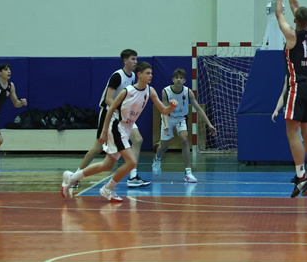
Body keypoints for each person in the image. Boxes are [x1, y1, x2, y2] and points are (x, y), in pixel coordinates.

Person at [61, 62, 177, 201]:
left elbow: (163, 110)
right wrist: (104, 131)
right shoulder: (127, 91)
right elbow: (110, 109)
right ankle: (108, 188)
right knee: (131, 162)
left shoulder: (150, 91)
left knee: (107, 165)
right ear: (139, 75)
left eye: (151, 73)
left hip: (127, 128)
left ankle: (71, 177)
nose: (151, 75)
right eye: (147, 73)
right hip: (117, 127)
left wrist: (171, 107)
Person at [71, 49, 151, 189]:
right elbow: (108, 99)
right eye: (133, 59)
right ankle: (75, 176)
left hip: (124, 116)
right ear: (125, 60)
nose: (135, 62)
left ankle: (133, 176)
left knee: (138, 139)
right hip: (110, 113)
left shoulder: (133, 76)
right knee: (98, 147)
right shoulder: (117, 76)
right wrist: (121, 109)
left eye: (136, 59)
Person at [272, 0, 307, 198]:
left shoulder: (291, 36)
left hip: (297, 87)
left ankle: (301, 175)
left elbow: (279, 14)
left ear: (296, 20)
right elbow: (296, 8)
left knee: (292, 132)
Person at [152, 68, 217, 183]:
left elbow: (198, 109)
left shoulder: (188, 92)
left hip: (181, 118)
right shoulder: (165, 91)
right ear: (173, 79)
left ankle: (188, 172)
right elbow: (164, 110)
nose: (179, 80)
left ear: (185, 80)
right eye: (176, 77)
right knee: (164, 146)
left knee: (185, 138)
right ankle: (157, 159)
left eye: (181, 78)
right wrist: (166, 125)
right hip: (168, 117)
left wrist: (210, 125)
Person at [272, 64, 307, 154]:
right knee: (301, 144)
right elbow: (284, 93)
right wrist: (276, 109)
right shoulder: (290, 73)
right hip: (298, 111)